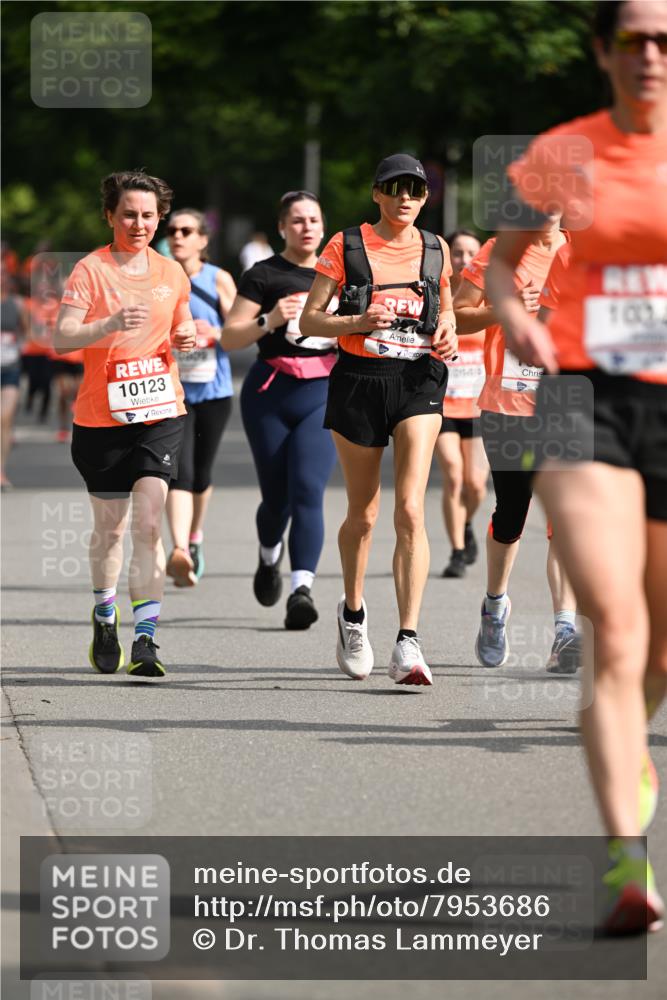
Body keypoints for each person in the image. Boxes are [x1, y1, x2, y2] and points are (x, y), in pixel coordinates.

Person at [486, 0, 667, 932]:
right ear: (602, 51)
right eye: (632, 39)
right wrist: (517, 317)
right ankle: (621, 864)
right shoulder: (564, 151)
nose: (649, 55)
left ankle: (623, 741)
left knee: (660, 644)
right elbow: (498, 262)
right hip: (583, 395)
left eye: (663, 40)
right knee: (615, 616)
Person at [301, 153, 457, 686]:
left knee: (411, 508)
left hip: (419, 380)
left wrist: (449, 332)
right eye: (394, 189)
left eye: (414, 190)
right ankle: (352, 614)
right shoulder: (345, 245)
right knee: (364, 514)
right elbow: (310, 319)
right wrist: (358, 319)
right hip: (360, 381)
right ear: (377, 194)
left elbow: (449, 310)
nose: (405, 199)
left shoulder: (435, 248)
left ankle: (409, 643)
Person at [54, 170, 196, 678]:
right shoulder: (91, 270)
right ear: (111, 217)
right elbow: (64, 337)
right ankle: (105, 614)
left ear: (160, 218)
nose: (140, 223)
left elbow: (181, 325)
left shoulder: (172, 273)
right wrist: (109, 324)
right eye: (129, 214)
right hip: (100, 419)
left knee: (150, 523)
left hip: (159, 413)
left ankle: (147, 639)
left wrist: (185, 338)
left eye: (149, 215)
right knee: (110, 532)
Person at [454, 221, 581, 675]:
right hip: (507, 404)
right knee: (511, 515)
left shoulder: (582, 250)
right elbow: (458, 312)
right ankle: (494, 606)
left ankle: (565, 629)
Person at [222, 191, 337, 630]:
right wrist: (269, 319)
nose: (306, 226)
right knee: (277, 498)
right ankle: (269, 556)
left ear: (323, 226)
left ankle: (301, 589)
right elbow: (230, 338)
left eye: (313, 219)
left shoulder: (343, 274)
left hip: (323, 391)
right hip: (269, 392)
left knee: (309, 489)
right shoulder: (264, 274)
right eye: (297, 220)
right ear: (282, 228)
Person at [164, 208, 237, 586]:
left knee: (202, 474)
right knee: (180, 470)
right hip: (169, 392)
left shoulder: (218, 278)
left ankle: (194, 537)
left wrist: (214, 331)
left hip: (213, 389)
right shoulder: (157, 277)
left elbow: (241, 332)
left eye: (187, 230)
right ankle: (178, 548)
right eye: (173, 230)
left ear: (202, 240)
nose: (178, 236)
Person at [434, 229, 488, 578]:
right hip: (441, 404)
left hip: (479, 406)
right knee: (453, 475)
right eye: (457, 252)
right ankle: (456, 550)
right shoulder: (438, 301)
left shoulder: (488, 304)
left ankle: (466, 522)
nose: (464, 259)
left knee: (476, 485)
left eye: (471, 253)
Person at [1, 267, 27, 489]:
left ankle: (0, 471)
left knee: (5, 418)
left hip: (10, 367)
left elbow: (26, 333)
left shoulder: (18, 304)